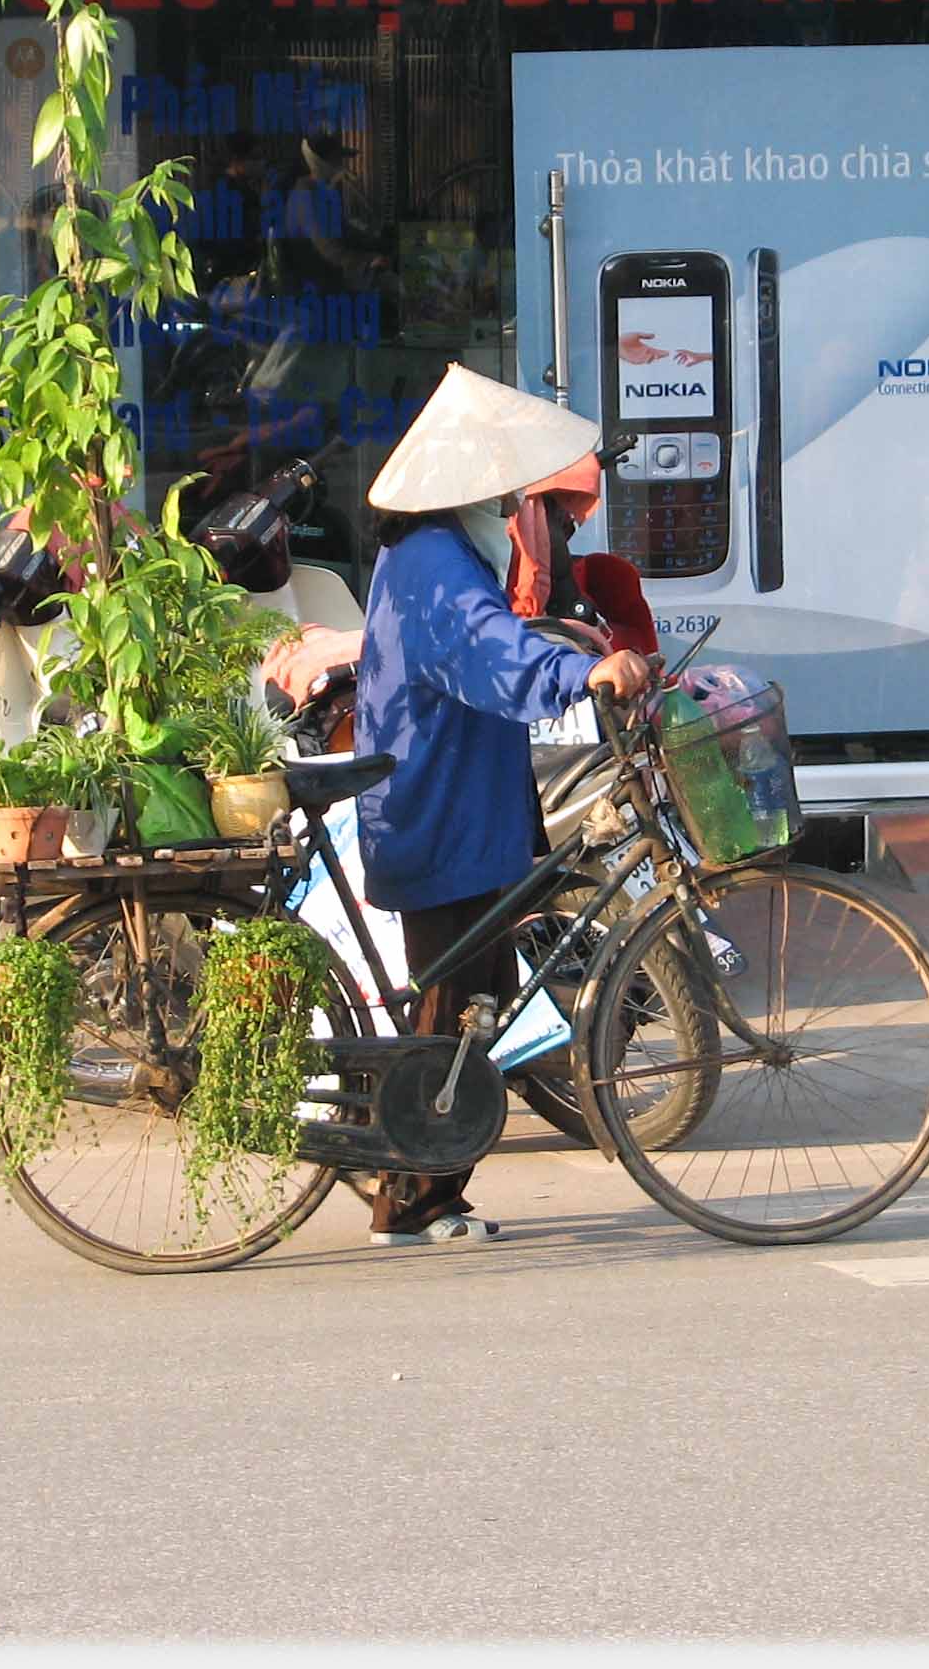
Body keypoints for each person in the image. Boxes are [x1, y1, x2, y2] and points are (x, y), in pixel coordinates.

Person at [352, 364, 650, 1248]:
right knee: (453, 1009)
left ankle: (426, 1186)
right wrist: (580, 670)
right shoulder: (436, 560)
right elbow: (492, 650)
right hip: (438, 807)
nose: (519, 495)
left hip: (455, 799)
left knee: (475, 997)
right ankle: (410, 1201)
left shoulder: (445, 550)